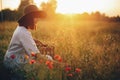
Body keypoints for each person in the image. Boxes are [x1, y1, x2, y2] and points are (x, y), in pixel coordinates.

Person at [3, 5, 52, 80]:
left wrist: (38, 42)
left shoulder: (21, 28)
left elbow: (27, 39)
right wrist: (60, 65)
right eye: (36, 17)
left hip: (11, 58)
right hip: (14, 63)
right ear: (29, 17)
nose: (38, 19)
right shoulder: (23, 32)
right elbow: (37, 56)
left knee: (47, 59)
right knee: (48, 60)